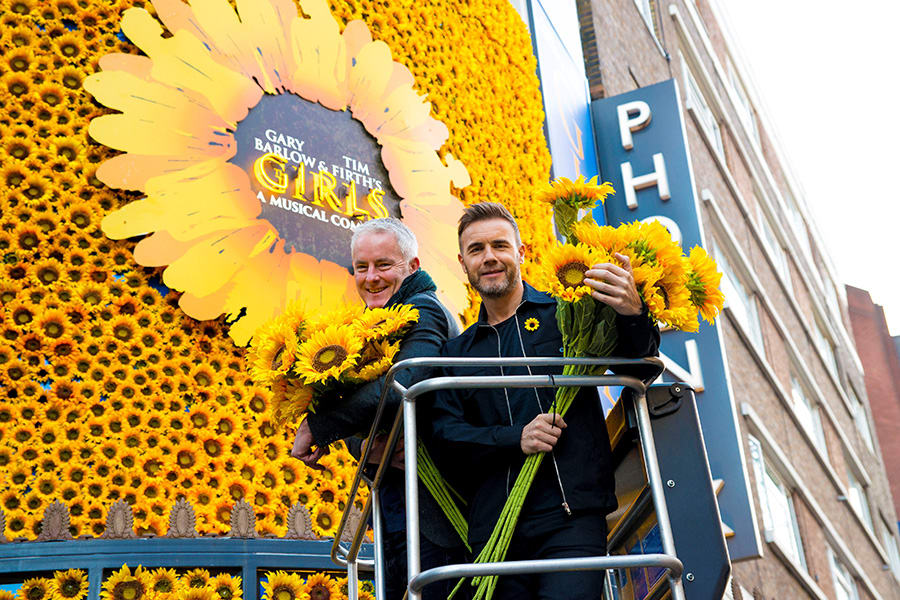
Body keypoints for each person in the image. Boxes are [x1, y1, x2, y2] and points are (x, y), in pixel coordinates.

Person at [430, 202, 660, 599]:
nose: (489, 258)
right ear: (463, 263)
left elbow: (642, 369)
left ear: (521, 252)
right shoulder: (455, 354)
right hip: (495, 533)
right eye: (477, 249)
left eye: (500, 245)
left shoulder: (569, 314)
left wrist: (633, 312)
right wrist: (515, 438)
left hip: (573, 520)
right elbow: (447, 439)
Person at [290, 217, 464, 600]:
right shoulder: (375, 323)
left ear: (412, 267)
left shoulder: (423, 309)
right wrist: (370, 446)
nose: (371, 278)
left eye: (384, 265)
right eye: (361, 267)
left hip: (437, 507)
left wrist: (318, 427)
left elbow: (404, 383)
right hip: (398, 507)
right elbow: (369, 419)